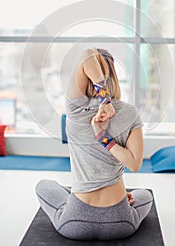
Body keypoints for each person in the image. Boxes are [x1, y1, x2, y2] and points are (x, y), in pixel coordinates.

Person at [36, 48, 153, 240]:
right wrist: (104, 139)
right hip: (120, 222)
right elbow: (134, 164)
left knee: (43, 185)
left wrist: (104, 99)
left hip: (74, 222)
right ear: (113, 77)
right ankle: (119, 196)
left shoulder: (75, 108)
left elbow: (87, 55)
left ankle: (71, 196)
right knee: (143, 195)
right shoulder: (130, 113)